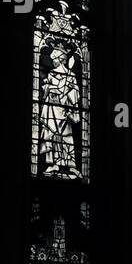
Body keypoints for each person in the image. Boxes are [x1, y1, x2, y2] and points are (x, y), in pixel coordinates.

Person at [39, 45, 80, 177]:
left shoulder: (71, 75)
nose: (53, 61)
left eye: (55, 59)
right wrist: (48, 88)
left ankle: (70, 164)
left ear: (60, 59)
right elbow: (45, 94)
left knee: (67, 137)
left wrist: (67, 93)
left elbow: (76, 94)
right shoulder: (51, 74)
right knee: (53, 134)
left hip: (64, 110)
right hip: (52, 109)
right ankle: (53, 164)